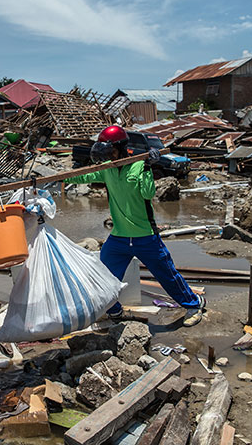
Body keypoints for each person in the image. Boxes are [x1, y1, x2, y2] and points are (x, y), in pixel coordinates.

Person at [64, 125, 205, 327]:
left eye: (110, 150)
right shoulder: (107, 169)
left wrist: (148, 168)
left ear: (120, 147)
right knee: (101, 276)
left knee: (167, 275)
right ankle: (114, 311)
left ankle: (194, 305)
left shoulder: (138, 165)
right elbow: (83, 175)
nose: (107, 155)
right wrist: (52, 178)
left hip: (145, 236)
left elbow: (148, 194)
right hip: (119, 237)